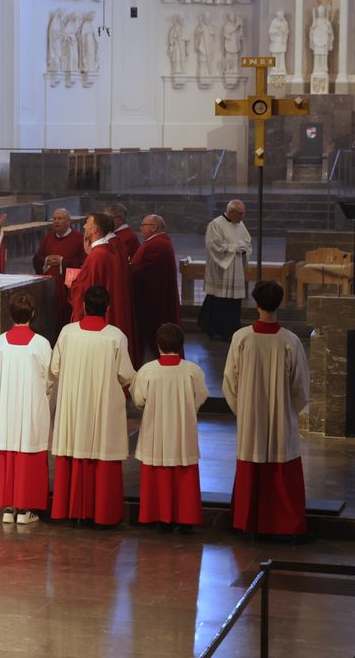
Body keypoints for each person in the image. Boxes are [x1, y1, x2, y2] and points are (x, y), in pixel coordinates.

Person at [222, 281, 310, 537]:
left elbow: (229, 380)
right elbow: (300, 387)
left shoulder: (241, 338)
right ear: (280, 303)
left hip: (250, 417)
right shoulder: (290, 341)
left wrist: (245, 410)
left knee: (250, 464)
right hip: (281, 418)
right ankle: (285, 525)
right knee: (282, 470)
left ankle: (246, 522)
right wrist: (286, 412)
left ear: (256, 302)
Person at [50, 286, 136, 527]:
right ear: (107, 309)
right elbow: (126, 375)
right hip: (102, 406)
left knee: (74, 447)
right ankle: (102, 514)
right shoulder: (115, 336)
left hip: (74, 406)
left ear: (85, 306)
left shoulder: (68, 333)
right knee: (101, 450)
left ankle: (72, 510)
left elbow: (55, 369)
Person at [131, 324, 208, 531]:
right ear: (181, 345)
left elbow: (139, 400)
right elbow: (200, 397)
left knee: (156, 471)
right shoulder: (193, 371)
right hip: (183, 431)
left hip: (155, 430)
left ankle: (156, 516)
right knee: (183, 470)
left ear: (158, 345)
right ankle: (184, 519)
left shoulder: (147, 371)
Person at [0, 293, 52, 525]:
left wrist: (1, 398)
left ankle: (8, 507)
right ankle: (26, 510)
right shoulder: (41, 344)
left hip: (6, 410)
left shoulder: (0, 343)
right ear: (32, 314)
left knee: (7, 452)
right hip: (30, 408)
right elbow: (51, 378)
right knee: (28, 452)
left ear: (10, 314)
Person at [69, 212, 135, 362]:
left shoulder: (97, 256)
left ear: (94, 230)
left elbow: (84, 289)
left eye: (87, 223)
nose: (84, 225)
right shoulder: (106, 250)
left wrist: (73, 284)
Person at [129, 215, 181, 365]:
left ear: (154, 227)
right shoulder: (160, 242)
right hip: (156, 296)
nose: (141, 228)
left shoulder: (155, 245)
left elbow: (138, 270)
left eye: (143, 225)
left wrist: (126, 269)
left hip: (152, 301)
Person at [199, 199, 251, 342]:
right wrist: (234, 248)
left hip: (236, 268)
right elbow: (213, 245)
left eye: (243, 213)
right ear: (231, 212)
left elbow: (247, 241)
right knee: (219, 299)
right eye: (240, 213)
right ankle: (215, 330)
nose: (242, 217)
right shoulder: (216, 224)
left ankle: (231, 329)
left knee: (233, 302)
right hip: (222, 269)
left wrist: (244, 248)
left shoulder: (240, 224)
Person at [31, 209, 86, 329]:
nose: (56, 221)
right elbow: (36, 259)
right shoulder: (48, 238)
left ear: (69, 221)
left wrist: (62, 261)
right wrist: (46, 260)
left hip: (67, 290)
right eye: (54, 219)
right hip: (48, 289)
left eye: (60, 219)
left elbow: (84, 263)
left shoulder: (78, 238)